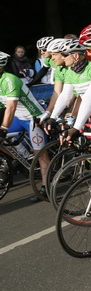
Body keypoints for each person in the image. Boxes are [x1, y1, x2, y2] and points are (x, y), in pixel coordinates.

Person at [0, 51, 50, 195]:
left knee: (40, 153)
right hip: (18, 118)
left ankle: (46, 186)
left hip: (33, 117)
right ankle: (19, 158)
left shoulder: (9, 80)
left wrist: (3, 128)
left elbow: (11, 107)